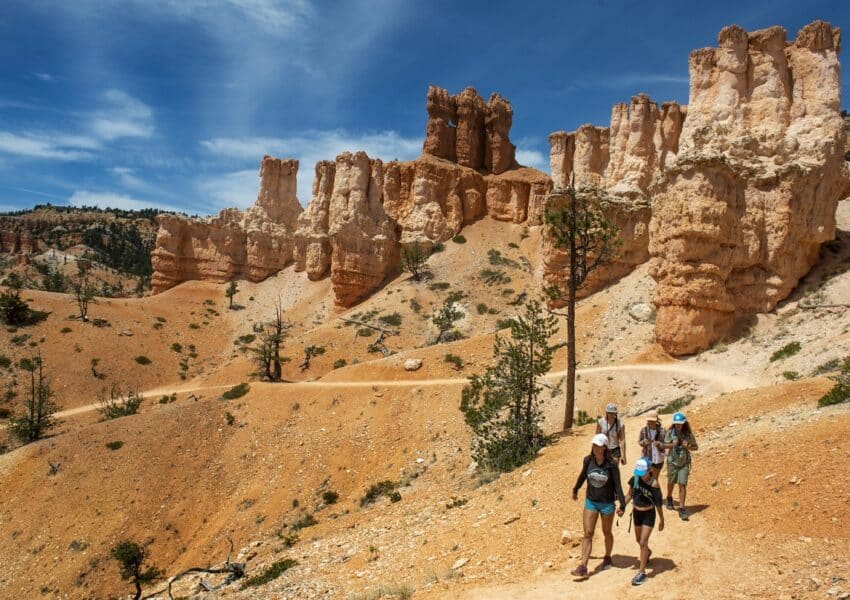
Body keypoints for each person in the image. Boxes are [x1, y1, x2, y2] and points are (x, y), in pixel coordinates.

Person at [570, 433, 626, 578]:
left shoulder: (612, 465)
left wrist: (623, 504)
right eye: (594, 445)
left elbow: (618, 486)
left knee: (606, 532)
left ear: (605, 448)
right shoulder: (588, 460)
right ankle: (583, 566)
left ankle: (607, 556)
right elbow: (583, 476)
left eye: (599, 446)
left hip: (607, 504)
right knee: (588, 533)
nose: (595, 448)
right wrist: (575, 489)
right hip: (591, 501)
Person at [623, 458, 665, 586]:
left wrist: (662, 519)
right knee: (638, 540)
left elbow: (658, 504)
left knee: (643, 542)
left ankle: (642, 573)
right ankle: (647, 552)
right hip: (636, 513)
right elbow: (629, 495)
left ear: (649, 470)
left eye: (643, 473)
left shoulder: (654, 484)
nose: (641, 476)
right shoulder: (635, 479)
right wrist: (622, 507)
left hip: (648, 514)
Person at [663, 412, 698, 520]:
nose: (678, 425)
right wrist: (672, 444)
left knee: (682, 484)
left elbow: (695, 447)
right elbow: (664, 445)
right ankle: (669, 497)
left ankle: (682, 508)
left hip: (684, 463)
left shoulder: (688, 434)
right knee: (671, 482)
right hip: (672, 462)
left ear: (684, 423)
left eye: (680, 423)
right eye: (676, 423)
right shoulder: (670, 433)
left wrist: (688, 447)